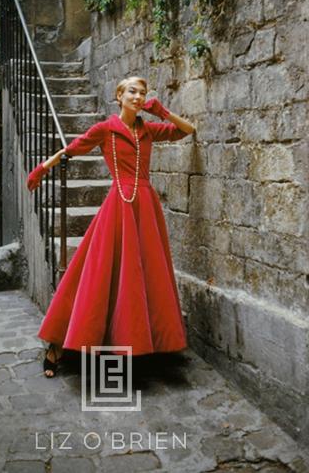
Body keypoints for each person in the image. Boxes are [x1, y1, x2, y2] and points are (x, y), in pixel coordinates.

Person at [27, 76, 196, 377]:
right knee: (99, 273)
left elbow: (187, 131)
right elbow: (73, 149)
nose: (138, 96)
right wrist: (42, 169)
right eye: (132, 91)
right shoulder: (105, 128)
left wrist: (163, 112)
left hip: (145, 206)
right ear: (119, 96)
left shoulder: (148, 129)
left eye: (143, 92)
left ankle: (145, 346)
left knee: (146, 275)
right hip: (119, 204)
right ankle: (58, 343)